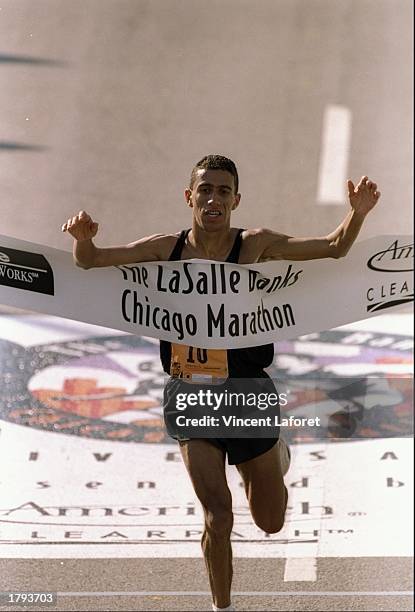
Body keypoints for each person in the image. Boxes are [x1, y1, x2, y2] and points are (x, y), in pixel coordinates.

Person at [62, 155, 380, 611]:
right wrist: (83, 241)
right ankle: (221, 607)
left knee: (269, 521)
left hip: (247, 390)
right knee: (218, 513)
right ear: (189, 197)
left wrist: (359, 213)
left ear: (235, 200)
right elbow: (91, 262)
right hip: (190, 393)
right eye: (205, 190)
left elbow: (333, 248)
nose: (213, 199)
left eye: (223, 192)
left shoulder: (253, 245)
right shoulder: (164, 250)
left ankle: (277, 452)